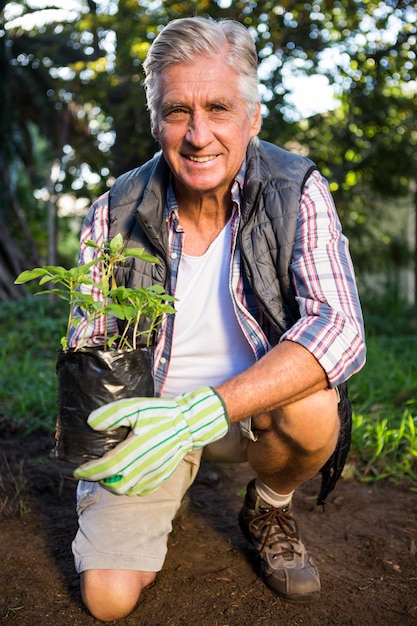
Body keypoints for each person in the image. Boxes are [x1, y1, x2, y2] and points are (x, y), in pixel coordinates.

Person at [69, 16, 366, 622]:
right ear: (156, 120)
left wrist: (202, 411)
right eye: (178, 111)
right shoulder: (113, 214)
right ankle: (160, 487)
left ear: (253, 117)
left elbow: (340, 328)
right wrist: (109, 445)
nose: (198, 135)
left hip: (253, 413)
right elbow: (89, 348)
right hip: (151, 424)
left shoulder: (295, 189)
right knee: (107, 601)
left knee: (313, 405)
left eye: (220, 108)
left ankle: (270, 503)